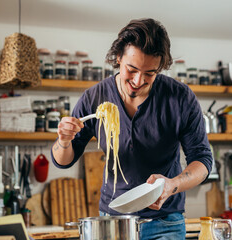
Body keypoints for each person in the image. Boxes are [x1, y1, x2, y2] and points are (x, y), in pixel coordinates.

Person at [52, 18, 212, 239]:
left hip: (165, 221)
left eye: (150, 73)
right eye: (132, 69)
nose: (138, 80)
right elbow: (64, 160)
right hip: (112, 221)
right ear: (118, 58)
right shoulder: (95, 97)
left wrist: (172, 184)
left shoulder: (180, 97)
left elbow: (203, 160)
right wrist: (64, 140)